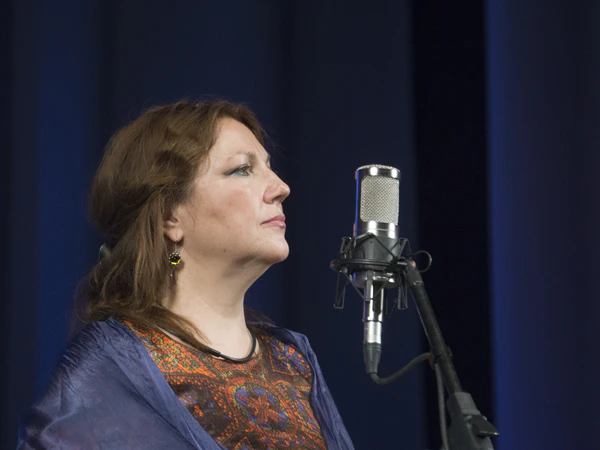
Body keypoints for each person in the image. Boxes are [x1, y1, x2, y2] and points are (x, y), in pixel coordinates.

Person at [18, 99, 354, 449]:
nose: (281, 187)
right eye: (242, 169)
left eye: (269, 167)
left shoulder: (293, 361)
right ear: (170, 217)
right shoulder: (111, 366)